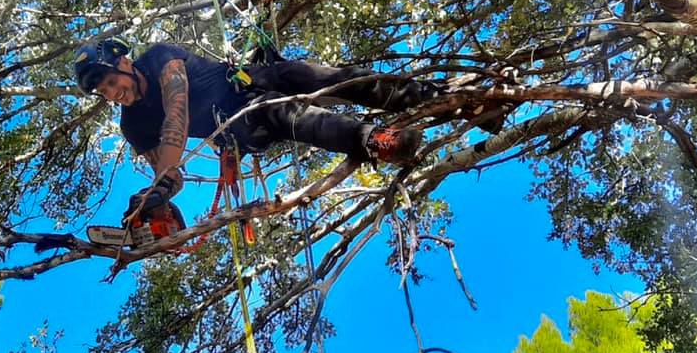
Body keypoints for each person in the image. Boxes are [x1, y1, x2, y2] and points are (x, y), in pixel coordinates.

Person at [74, 38, 448, 226]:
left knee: (328, 78)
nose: (112, 94)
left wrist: (165, 174)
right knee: (283, 113)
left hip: (251, 79)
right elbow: (167, 173)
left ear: (124, 61)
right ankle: (373, 140)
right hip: (238, 123)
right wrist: (154, 199)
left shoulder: (159, 58)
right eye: (103, 92)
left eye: (110, 81)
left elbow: (177, 109)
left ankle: (438, 97)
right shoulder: (133, 125)